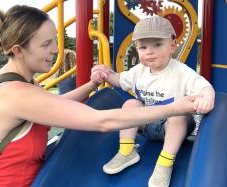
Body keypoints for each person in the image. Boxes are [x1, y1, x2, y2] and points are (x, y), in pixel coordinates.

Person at [0, 7, 198, 187]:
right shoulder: (16, 94)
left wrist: (92, 84)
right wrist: (174, 108)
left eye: (55, 40)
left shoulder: (19, 80)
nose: (56, 50)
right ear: (19, 50)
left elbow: (54, 105)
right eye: (46, 44)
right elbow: (101, 122)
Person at [91, 16, 215, 187]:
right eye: (143, 47)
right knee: (130, 104)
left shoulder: (181, 72)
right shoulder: (138, 71)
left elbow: (204, 86)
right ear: (137, 49)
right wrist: (105, 74)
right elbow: (119, 80)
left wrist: (206, 97)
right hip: (146, 126)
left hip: (173, 127)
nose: (149, 51)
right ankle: (127, 151)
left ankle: (165, 162)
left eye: (157, 45)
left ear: (172, 46)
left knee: (178, 114)